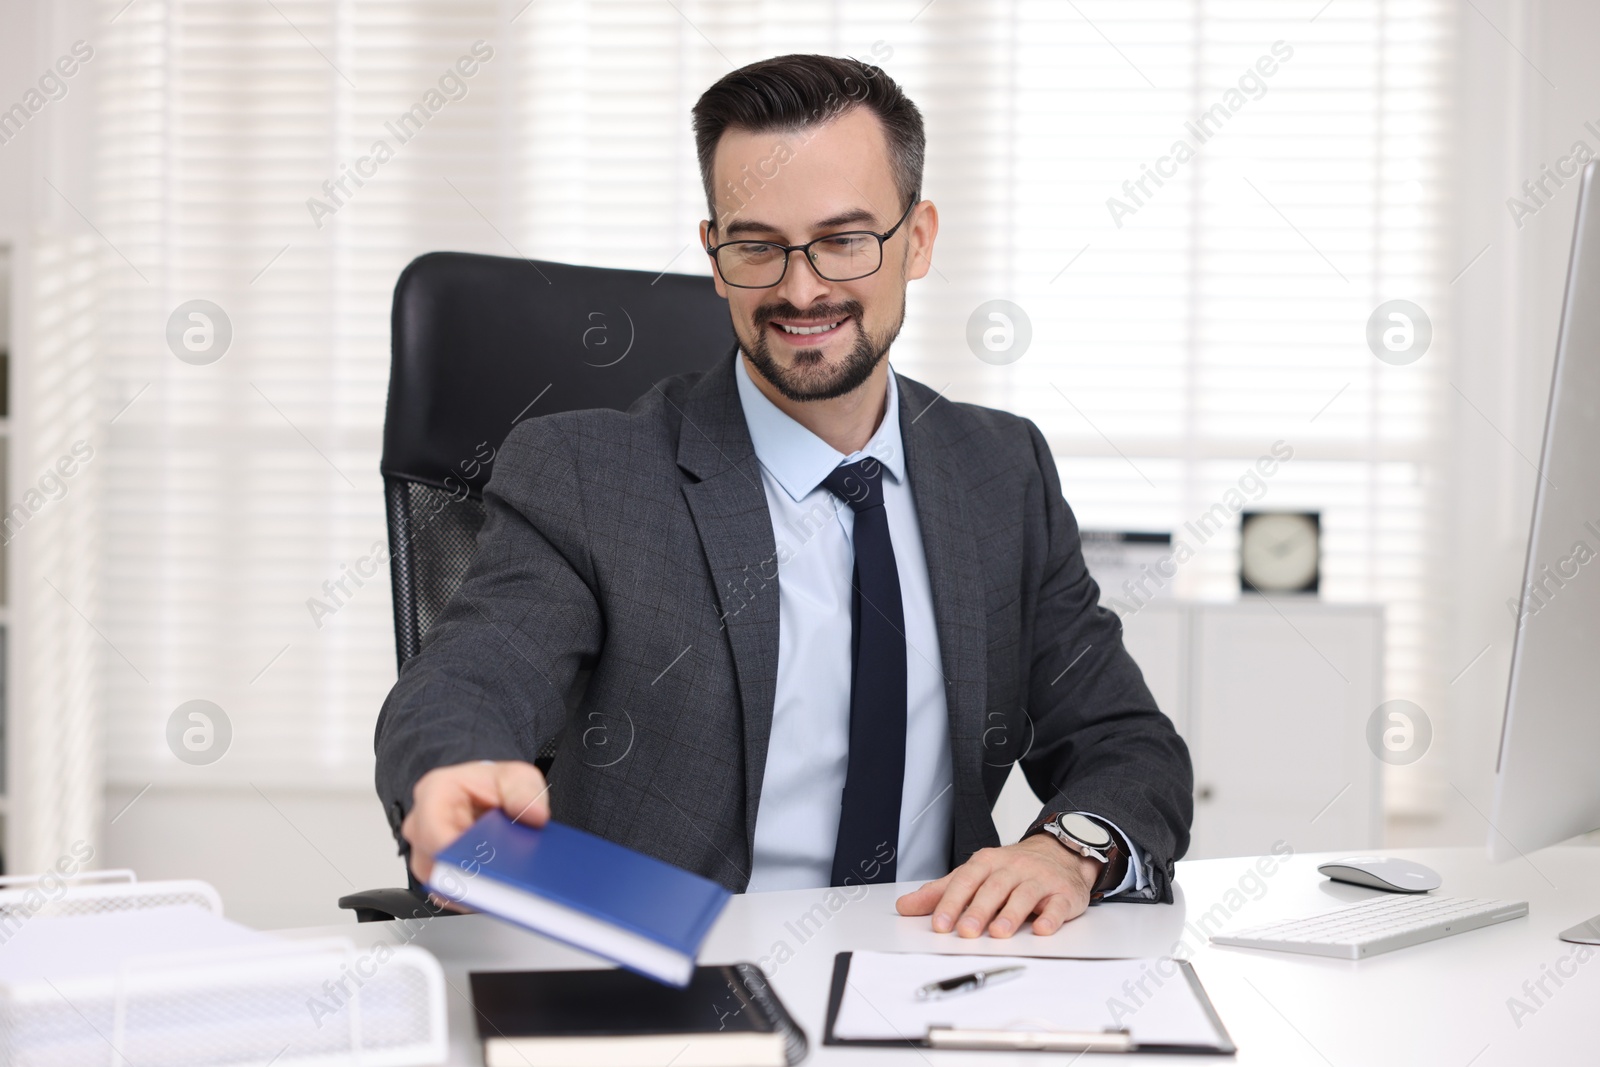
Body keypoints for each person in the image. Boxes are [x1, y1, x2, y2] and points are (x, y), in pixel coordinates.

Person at [375, 53, 1192, 939]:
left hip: (934, 969)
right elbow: (471, 674)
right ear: (715, 257)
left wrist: (1065, 849)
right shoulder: (589, 473)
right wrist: (452, 774)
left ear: (917, 240)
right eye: (758, 245)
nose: (801, 290)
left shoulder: (1001, 471)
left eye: (844, 239)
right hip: (676, 978)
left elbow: (1128, 743)